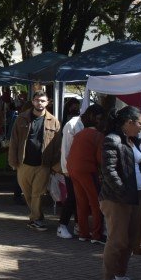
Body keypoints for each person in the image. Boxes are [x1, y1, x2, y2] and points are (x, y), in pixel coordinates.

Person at [99, 106, 141, 280]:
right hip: (117, 198)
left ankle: (120, 275)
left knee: (130, 239)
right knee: (117, 240)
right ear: (128, 122)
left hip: (133, 196)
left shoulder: (132, 140)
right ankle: (108, 279)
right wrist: (122, 191)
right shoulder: (112, 140)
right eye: (139, 123)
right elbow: (109, 171)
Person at [8, 90, 61, 231]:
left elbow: (57, 146)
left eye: (42, 100)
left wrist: (55, 165)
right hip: (24, 163)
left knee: (38, 193)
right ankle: (37, 216)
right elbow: (14, 140)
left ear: (47, 102)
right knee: (28, 193)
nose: (40, 103)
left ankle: (35, 219)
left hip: (43, 164)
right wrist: (13, 161)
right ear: (32, 101)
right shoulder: (22, 118)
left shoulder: (54, 121)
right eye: (37, 100)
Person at [67, 104, 106, 243]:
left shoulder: (79, 134)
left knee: (81, 202)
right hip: (87, 171)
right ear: (98, 119)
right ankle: (96, 234)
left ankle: (83, 233)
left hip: (73, 170)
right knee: (96, 203)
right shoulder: (98, 136)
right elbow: (100, 158)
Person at [55, 98, 83, 239]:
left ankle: (78, 225)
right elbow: (65, 148)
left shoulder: (77, 124)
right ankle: (62, 225)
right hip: (71, 169)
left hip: (79, 168)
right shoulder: (71, 125)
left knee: (79, 197)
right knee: (73, 197)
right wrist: (65, 169)